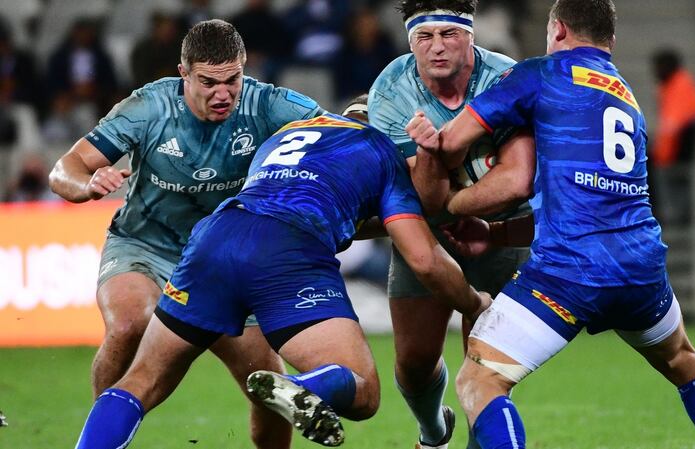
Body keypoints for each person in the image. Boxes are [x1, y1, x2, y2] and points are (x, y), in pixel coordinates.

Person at [406, 1, 695, 448]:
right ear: (610, 40)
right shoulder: (626, 95)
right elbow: (591, 198)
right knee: (684, 360)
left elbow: (451, 142)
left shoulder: (541, 73)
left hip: (571, 270)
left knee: (480, 380)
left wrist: (448, 190)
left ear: (558, 30)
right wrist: (495, 233)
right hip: (640, 267)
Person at [72, 96, 491, 449]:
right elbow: (423, 259)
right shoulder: (382, 150)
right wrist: (474, 302)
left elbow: (315, 200)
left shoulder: (280, 138)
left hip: (217, 235)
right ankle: (307, 388)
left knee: (140, 381)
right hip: (288, 252)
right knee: (363, 391)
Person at [49, 19, 324, 449]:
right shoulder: (148, 107)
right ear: (183, 73)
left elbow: (341, 138)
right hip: (144, 246)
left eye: (232, 80)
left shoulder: (267, 104)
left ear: (244, 69)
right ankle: (103, 439)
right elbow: (64, 169)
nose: (223, 94)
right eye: (208, 82)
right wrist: (87, 184)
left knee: (266, 384)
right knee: (129, 323)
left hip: (225, 261)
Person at [368, 1, 534, 448]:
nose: (437, 47)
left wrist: (457, 201)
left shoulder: (505, 79)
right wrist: (427, 152)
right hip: (429, 235)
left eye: (449, 34)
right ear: (410, 42)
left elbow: (517, 181)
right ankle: (432, 432)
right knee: (415, 360)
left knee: (486, 374)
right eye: (425, 37)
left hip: (501, 235)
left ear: (471, 35)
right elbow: (424, 199)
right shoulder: (391, 87)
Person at [650, 47, 695, 224]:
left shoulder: (680, 86)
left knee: (648, 162)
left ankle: (667, 215)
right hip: (678, 149)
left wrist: (660, 154)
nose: (655, 72)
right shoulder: (673, 86)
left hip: (680, 151)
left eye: (658, 66)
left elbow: (674, 126)